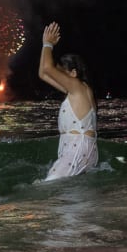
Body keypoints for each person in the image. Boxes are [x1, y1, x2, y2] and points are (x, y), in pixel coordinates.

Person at [38, 21, 99, 180]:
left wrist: (47, 44)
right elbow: (43, 74)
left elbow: (47, 69)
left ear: (73, 73)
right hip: (84, 148)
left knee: (46, 188)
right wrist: (45, 47)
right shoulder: (80, 89)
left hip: (77, 149)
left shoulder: (77, 86)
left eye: (61, 74)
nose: (59, 78)